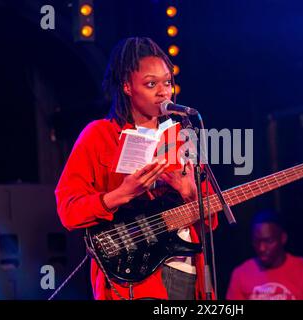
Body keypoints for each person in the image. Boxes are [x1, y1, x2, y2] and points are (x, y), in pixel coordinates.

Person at [55, 37, 217, 300]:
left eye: (167, 82)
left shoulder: (182, 135)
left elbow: (212, 221)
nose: (164, 92)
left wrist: (190, 193)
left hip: (187, 269)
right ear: (128, 87)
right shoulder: (99, 135)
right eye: (151, 84)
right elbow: (68, 210)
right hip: (132, 277)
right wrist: (122, 194)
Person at [226, 210, 303, 300]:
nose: (262, 248)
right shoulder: (241, 274)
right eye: (257, 241)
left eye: (268, 241)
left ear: (282, 238)